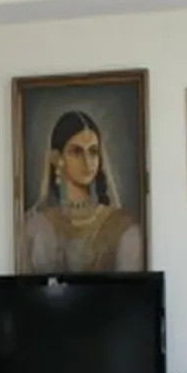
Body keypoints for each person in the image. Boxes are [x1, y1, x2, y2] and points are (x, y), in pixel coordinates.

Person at [18, 110, 144, 273]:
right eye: (76, 152)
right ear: (57, 158)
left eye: (93, 151)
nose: (87, 161)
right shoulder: (35, 227)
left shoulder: (122, 227)